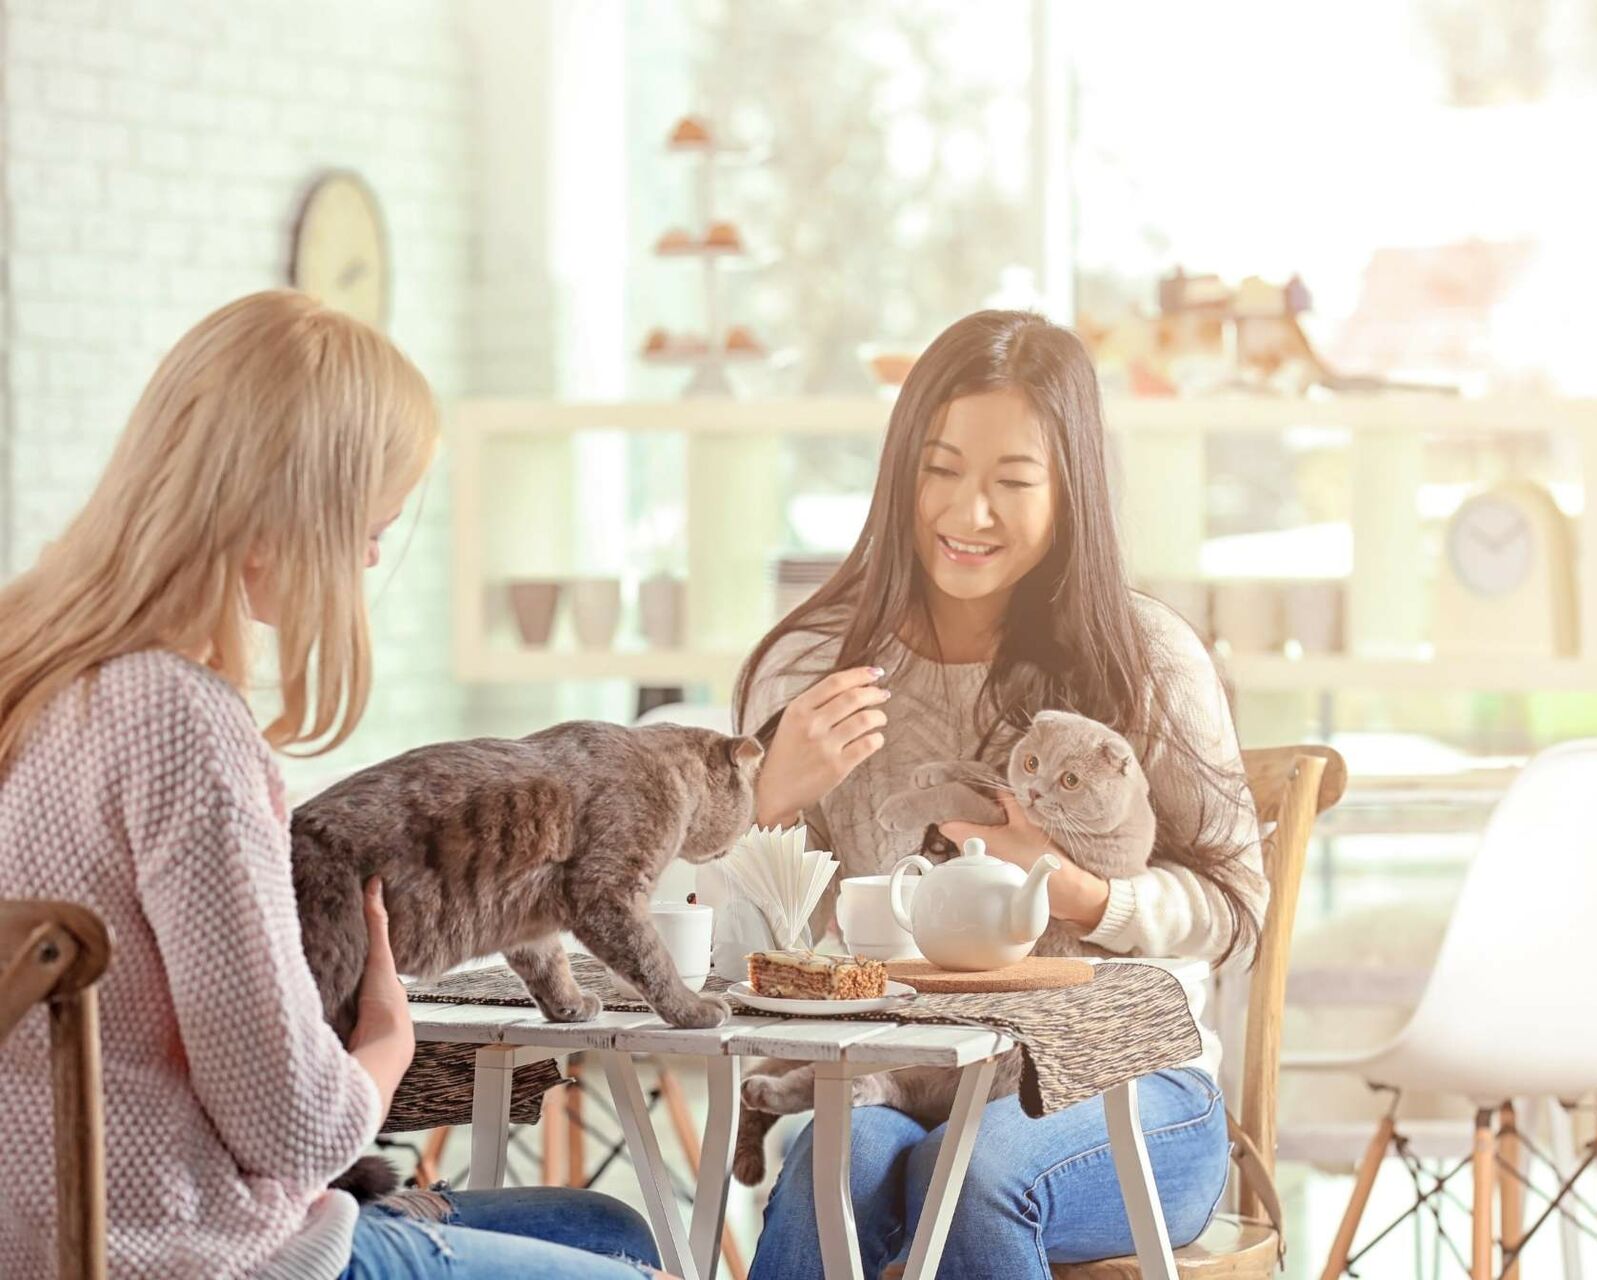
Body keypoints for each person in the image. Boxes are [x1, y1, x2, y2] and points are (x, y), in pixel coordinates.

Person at [0, 291, 665, 1280]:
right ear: (278, 518)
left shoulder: (37, 678)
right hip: (187, 1253)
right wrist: (385, 1040)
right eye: (370, 523)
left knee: (604, 1225)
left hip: (51, 1236)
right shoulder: (185, 722)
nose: (368, 556)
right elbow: (295, 1127)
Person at [735, 309, 1264, 1280]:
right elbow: (749, 957)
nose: (966, 512)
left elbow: (1238, 911)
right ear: (900, 473)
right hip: (901, 1080)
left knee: (975, 1174)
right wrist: (767, 801)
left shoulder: (1144, 660)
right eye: (940, 468)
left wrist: (1077, 893)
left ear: (1070, 492)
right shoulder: (813, 669)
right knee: (832, 1159)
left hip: (1132, 1088)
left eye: (1011, 481)